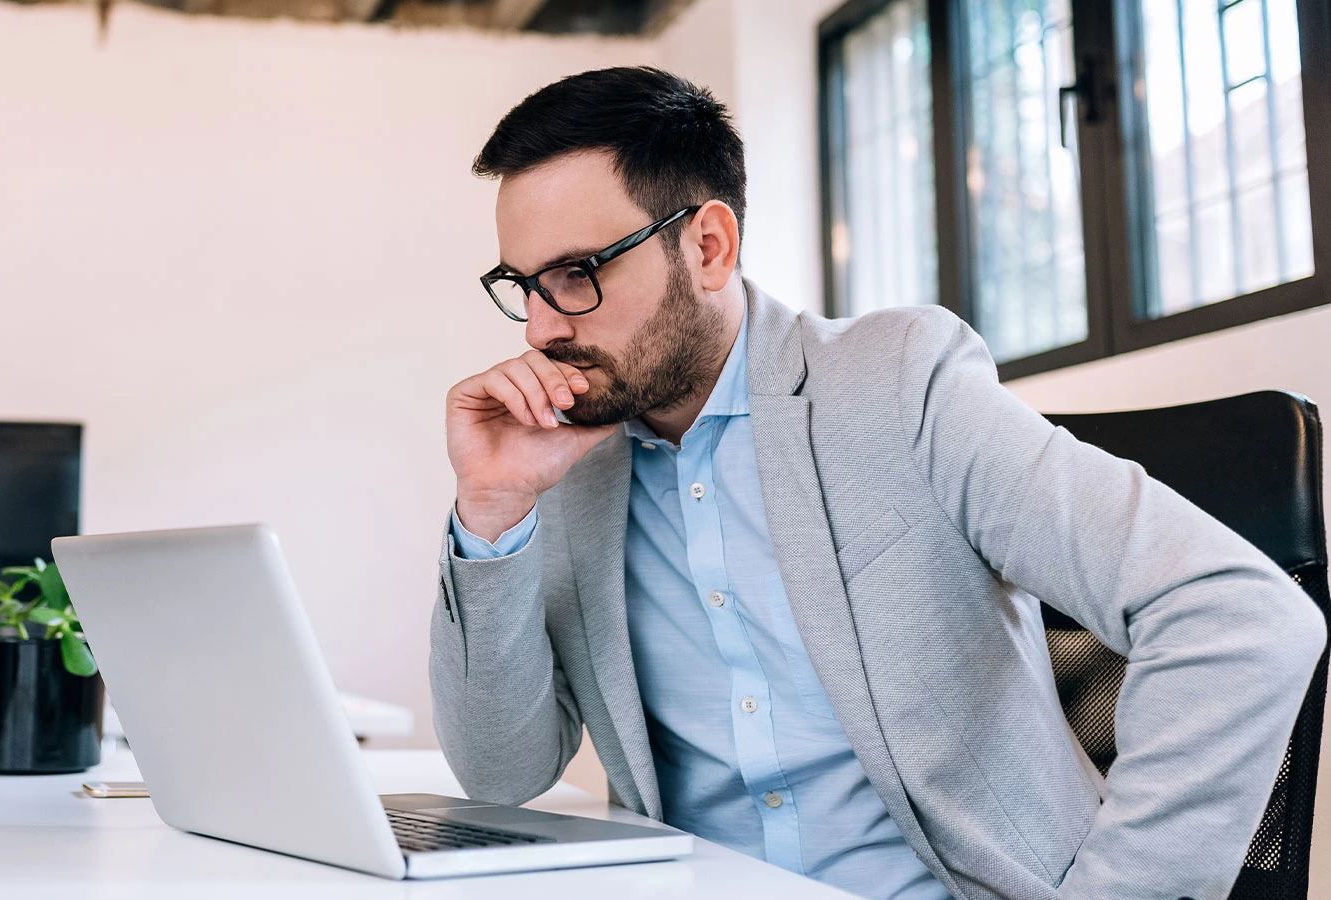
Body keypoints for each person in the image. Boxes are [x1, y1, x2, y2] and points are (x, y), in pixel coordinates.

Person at [430, 66, 1325, 900]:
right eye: (524, 285)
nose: (543, 329)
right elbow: (505, 773)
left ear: (708, 246)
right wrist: (494, 511)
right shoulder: (576, 461)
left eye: (576, 275)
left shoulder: (900, 385)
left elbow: (1241, 618)